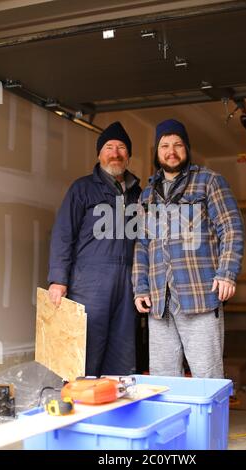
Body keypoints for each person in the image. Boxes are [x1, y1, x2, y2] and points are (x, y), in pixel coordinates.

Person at [133, 119, 244, 378]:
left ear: (187, 148)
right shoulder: (147, 194)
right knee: (163, 379)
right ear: (157, 152)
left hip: (200, 295)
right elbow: (142, 244)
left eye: (178, 145)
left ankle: (211, 421)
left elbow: (231, 227)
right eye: (164, 145)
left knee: (207, 376)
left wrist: (227, 273)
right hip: (160, 301)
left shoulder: (209, 181)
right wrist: (140, 287)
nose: (171, 151)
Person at [48, 121, 141, 376]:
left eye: (121, 147)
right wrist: (58, 279)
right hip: (90, 282)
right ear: (99, 154)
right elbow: (63, 234)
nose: (115, 153)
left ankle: (116, 413)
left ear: (128, 155)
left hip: (128, 282)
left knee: (122, 353)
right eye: (109, 147)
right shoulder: (82, 189)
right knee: (85, 351)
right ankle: (80, 408)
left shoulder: (139, 195)